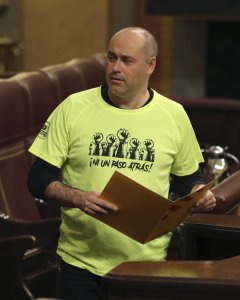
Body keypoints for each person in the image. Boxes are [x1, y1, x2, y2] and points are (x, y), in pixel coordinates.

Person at [27, 27, 216, 299]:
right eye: (111, 58)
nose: (116, 68)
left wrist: (201, 193)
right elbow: (37, 179)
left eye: (127, 60)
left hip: (144, 264)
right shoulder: (73, 107)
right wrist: (78, 197)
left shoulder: (173, 115)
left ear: (150, 65)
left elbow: (189, 178)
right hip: (80, 262)